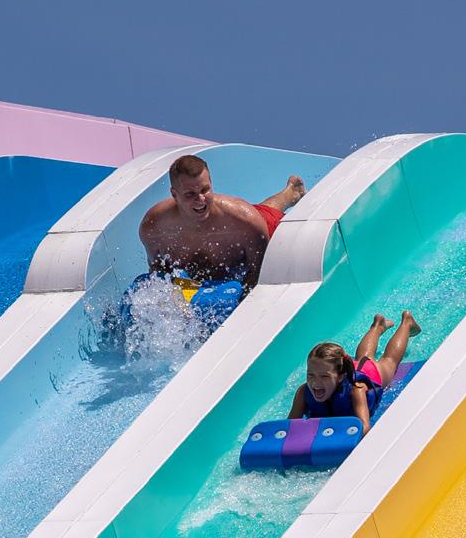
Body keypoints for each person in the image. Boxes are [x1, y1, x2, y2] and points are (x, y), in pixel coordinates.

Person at [139, 154, 306, 291]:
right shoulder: (154, 227)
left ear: (211, 184)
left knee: (267, 213)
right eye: (190, 194)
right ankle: (292, 191)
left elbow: (260, 273)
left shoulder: (246, 221)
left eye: (205, 190)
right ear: (174, 194)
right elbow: (159, 275)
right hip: (238, 218)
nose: (200, 199)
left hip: (260, 223)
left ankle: (291, 192)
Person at [288, 311, 421, 436]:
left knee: (389, 360)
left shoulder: (356, 390)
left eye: (324, 376)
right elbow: (288, 428)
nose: (315, 382)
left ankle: (406, 323)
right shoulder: (303, 393)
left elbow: (364, 427)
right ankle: (377, 326)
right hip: (348, 368)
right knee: (363, 356)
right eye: (310, 375)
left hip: (372, 372)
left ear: (340, 376)